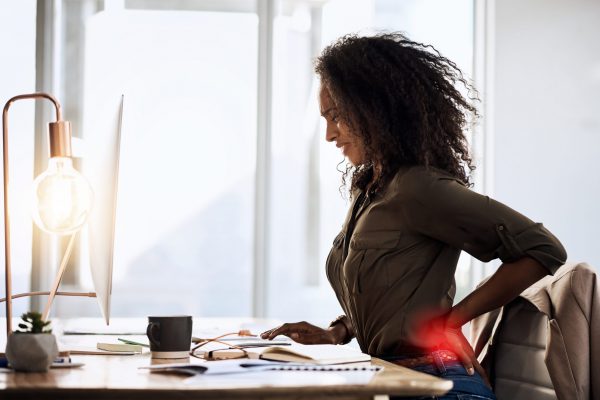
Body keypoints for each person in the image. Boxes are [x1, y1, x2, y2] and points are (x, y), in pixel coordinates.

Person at [261, 32, 567, 400]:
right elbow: (390, 296)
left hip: (440, 386)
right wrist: (337, 332)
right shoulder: (369, 191)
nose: (329, 135)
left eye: (337, 116)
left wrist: (453, 321)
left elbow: (543, 248)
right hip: (395, 381)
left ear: (375, 109)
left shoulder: (418, 188)